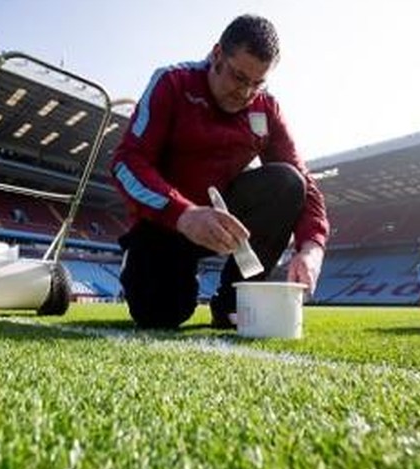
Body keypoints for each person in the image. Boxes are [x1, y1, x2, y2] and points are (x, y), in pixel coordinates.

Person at [110, 14, 329, 328]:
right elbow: (127, 162)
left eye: (257, 83)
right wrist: (184, 214)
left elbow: (304, 181)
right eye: (239, 77)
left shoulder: (265, 108)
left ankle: (234, 302)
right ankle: (143, 262)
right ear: (216, 54)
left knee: (288, 183)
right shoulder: (172, 83)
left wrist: (311, 248)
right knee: (160, 314)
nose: (245, 93)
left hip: (224, 215)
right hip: (166, 223)